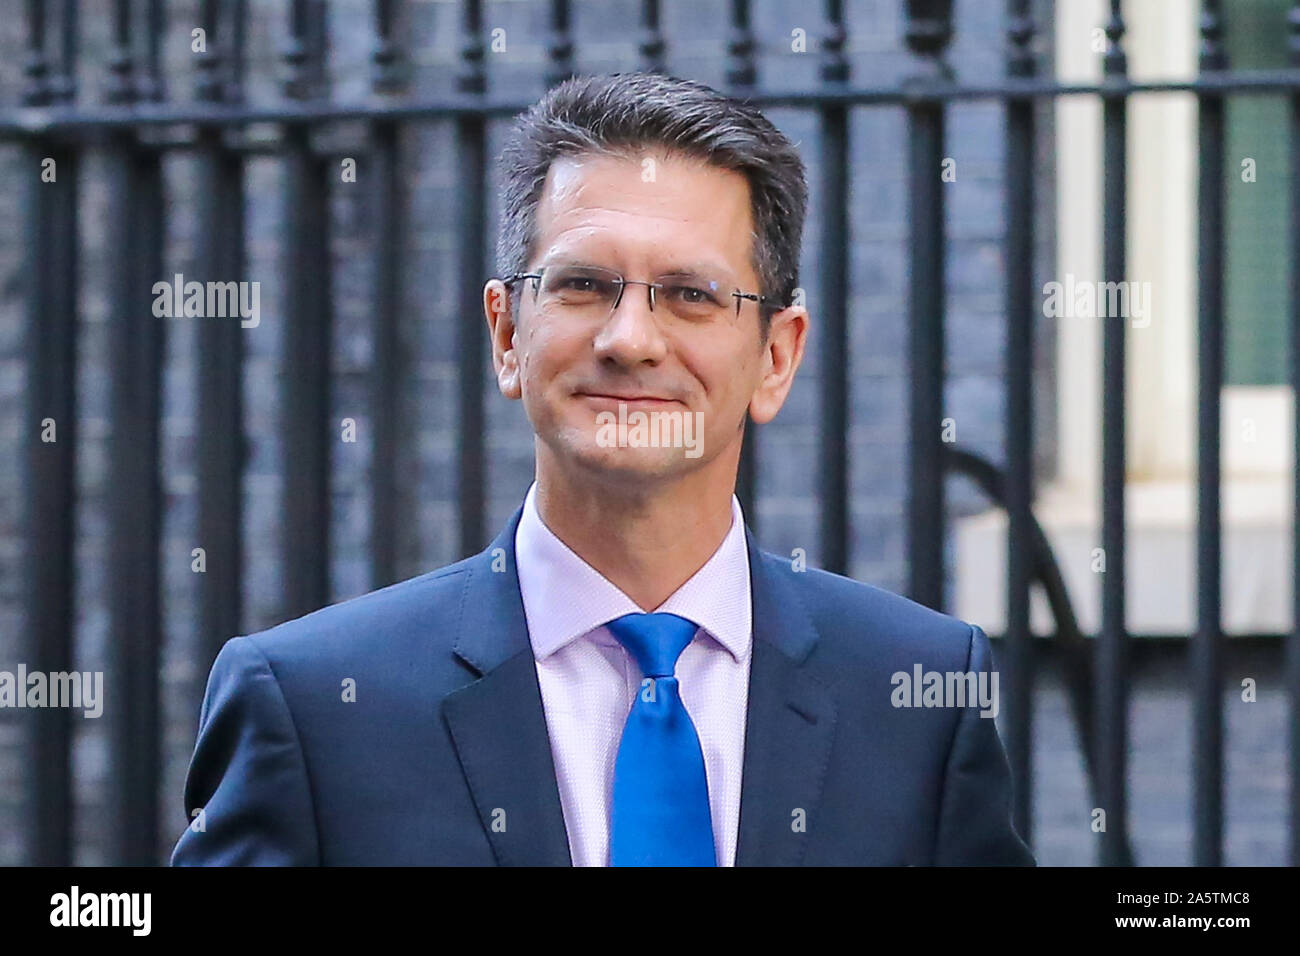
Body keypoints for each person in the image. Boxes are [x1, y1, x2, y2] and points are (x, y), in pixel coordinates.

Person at [171, 71, 1034, 867]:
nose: (630, 340)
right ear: (508, 335)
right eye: (583, 285)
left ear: (776, 355)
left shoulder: (918, 695)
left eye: (691, 294)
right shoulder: (314, 706)